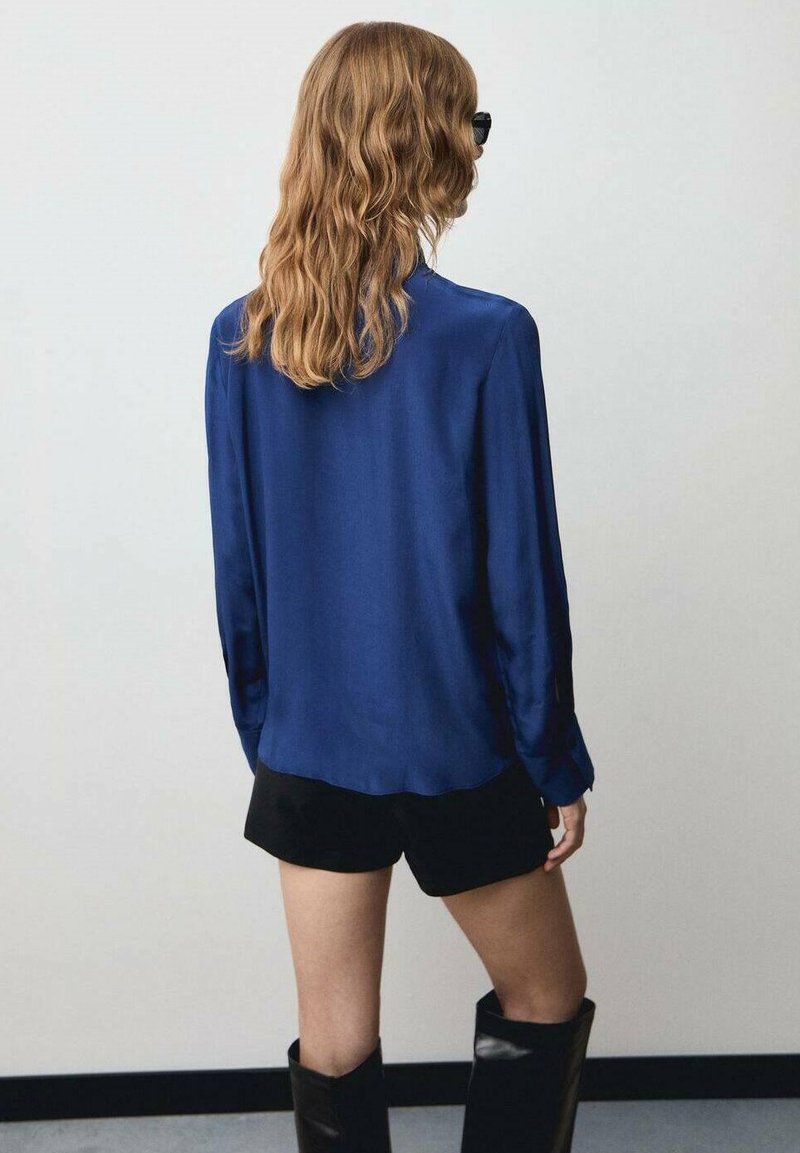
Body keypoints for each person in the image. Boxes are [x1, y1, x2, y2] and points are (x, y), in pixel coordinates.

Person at [204, 20, 597, 1153]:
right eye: (470, 123)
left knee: (332, 1041)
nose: (476, 146)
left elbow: (241, 576)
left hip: (307, 744)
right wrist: (554, 759)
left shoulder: (242, 338)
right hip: (455, 745)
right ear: (422, 139)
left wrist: (271, 734)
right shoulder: (487, 336)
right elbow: (520, 580)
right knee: (544, 997)